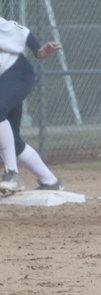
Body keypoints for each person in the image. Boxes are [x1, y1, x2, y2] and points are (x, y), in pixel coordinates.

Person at [0, 16, 64, 196]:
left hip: (17, 73)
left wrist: (38, 50)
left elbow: (20, 31)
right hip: (4, 81)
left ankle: (12, 174)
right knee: (12, 141)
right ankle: (50, 181)